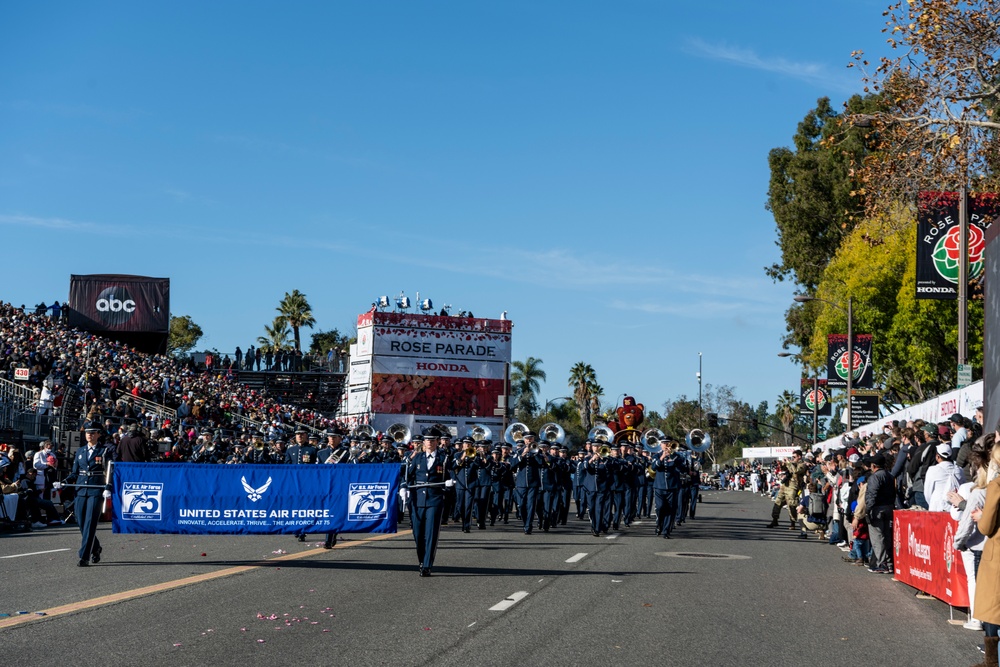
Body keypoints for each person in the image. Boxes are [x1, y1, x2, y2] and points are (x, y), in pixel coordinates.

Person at [55, 425, 112, 566]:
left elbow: (110, 470)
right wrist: (64, 482)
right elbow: (75, 472)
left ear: (98, 434)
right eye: (87, 433)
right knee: (81, 521)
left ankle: (84, 556)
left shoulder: (104, 451)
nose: (89, 435)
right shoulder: (81, 451)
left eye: (92, 433)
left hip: (96, 489)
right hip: (81, 489)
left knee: (90, 523)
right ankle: (96, 547)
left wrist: (108, 487)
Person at [401, 431, 455, 576]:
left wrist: (450, 483)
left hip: (435, 499)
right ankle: (421, 560)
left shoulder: (443, 459)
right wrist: (403, 487)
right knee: (418, 533)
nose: (429, 443)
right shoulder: (417, 458)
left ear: (437, 442)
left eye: (432, 440)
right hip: (418, 499)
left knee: (431, 532)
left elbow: (451, 476)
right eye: (427, 440)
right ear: (423, 442)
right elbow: (408, 476)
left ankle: (427, 565)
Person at [971, 428, 1000, 667]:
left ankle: (992, 661)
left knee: (994, 611)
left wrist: (980, 516)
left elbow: (986, 526)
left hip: (997, 553)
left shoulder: (996, 485)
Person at [767, 450, 806, 529]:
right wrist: (782, 464)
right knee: (778, 502)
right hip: (785, 485)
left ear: (799, 457)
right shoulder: (792, 463)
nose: (793, 458)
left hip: (793, 487)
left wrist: (789, 463)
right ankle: (775, 519)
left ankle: (792, 522)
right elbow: (784, 469)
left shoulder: (802, 465)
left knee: (791, 504)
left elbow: (795, 471)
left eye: (794, 457)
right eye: (792, 457)